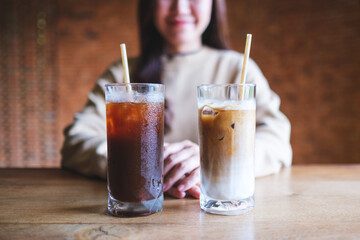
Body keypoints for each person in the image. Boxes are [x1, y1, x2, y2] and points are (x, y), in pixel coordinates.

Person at [61, 0, 292, 199]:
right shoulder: (123, 75)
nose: (179, 8)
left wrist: (214, 161)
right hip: (143, 208)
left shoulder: (239, 71)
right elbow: (76, 142)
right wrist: (143, 163)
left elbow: (277, 139)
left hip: (220, 206)